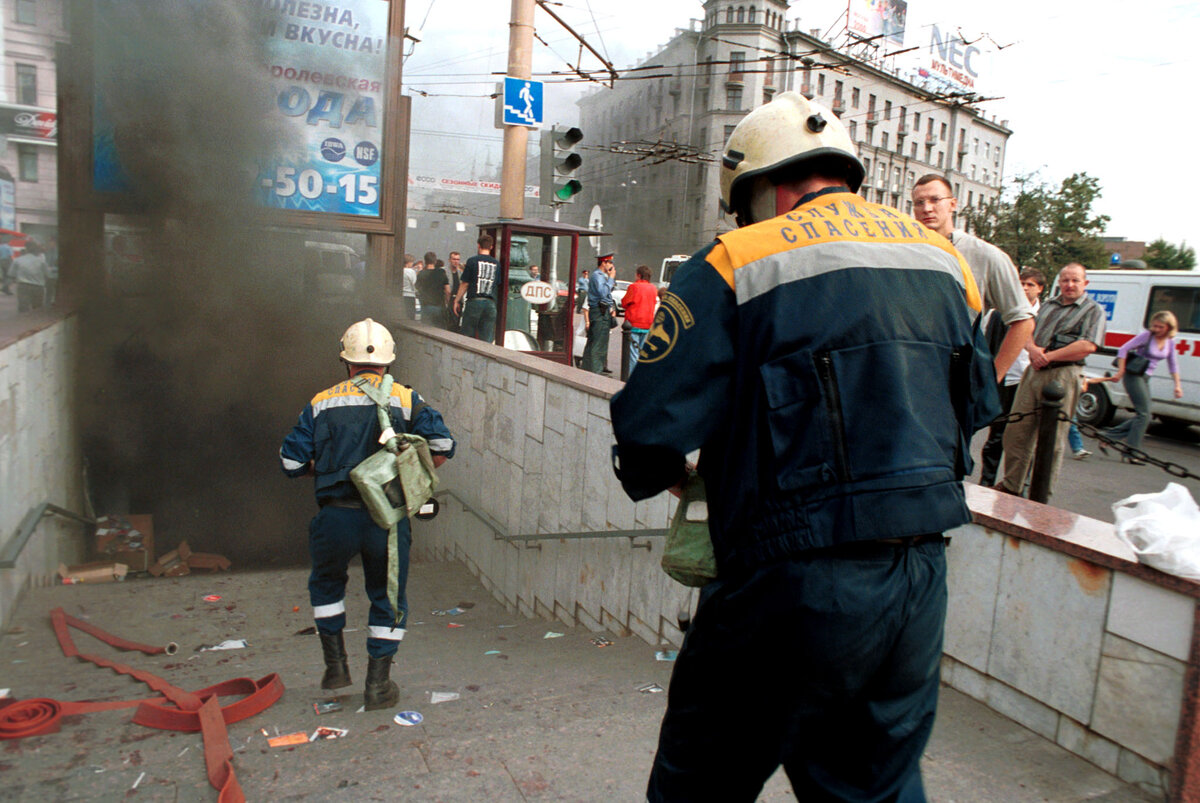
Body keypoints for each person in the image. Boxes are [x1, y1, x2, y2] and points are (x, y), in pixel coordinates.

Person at [609, 91, 998, 801]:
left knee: (699, 781)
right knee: (872, 785)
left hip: (788, 581)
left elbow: (647, 420)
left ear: (761, 187)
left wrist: (667, 473)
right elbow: (973, 405)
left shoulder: (737, 258)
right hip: (917, 581)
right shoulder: (945, 261)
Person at [280, 318, 455, 710]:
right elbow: (443, 445)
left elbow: (290, 463)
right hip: (387, 522)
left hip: (334, 517)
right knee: (387, 598)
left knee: (326, 587)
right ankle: (378, 685)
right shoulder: (407, 399)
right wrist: (407, 473)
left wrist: (324, 468)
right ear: (388, 363)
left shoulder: (321, 401)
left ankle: (335, 666)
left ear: (346, 362)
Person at [912, 174, 1035, 383]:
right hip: (911, 370)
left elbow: (1023, 321)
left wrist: (992, 377)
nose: (927, 208)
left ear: (952, 204)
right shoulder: (907, 252)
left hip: (956, 375)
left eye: (935, 200)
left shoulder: (985, 255)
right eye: (919, 203)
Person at [997, 263, 1105, 497]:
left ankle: (1041, 493)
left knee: (1052, 439)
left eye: (1075, 280)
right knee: (1016, 431)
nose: (1069, 285)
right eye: (1065, 280)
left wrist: (1048, 356)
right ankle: (1011, 485)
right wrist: (1033, 350)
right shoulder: (1047, 306)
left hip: (1064, 374)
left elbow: (1087, 345)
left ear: (1085, 284)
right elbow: (1027, 330)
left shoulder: (1093, 310)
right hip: (1034, 371)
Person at [980, 268, 1045, 484]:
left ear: (1040, 289)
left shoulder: (1045, 316)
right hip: (1005, 380)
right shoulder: (999, 314)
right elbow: (988, 346)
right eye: (1022, 283)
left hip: (1030, 381)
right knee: (996, 435)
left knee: (1024, 438)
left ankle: (1019, 483)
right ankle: (987, 481)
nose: (1025, 288)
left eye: (1030, 285)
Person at [1092, 310, 1184, 463]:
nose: (1156, 329)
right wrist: (1121, 370)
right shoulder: (1147, 336)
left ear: (1169, 327)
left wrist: (1177, 385)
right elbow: (1123, 349)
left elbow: (1173, 364)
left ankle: (1108, 436)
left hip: (1146, 376)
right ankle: (1131, 453)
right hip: (1133, 375)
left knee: (1145, 415)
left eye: (1160, 327)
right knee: (1144, 414)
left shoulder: (1170, 342)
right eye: (1154, 326)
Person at [453, 234, 500, 342]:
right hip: (490, 304)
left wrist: (456, 300)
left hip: (474, 301)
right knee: (487, 338)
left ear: (478, 246)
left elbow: (465, 283)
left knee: (468, 336)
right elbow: (497, 283)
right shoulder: (496, 263)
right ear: (491, 247)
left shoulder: (472, 261)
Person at [620, 265, 658, 370]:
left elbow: (624, 302)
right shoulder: (653, 288)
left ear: (639, 275)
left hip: (634, 323)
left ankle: (632, 376)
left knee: (632, 353)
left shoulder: (634, 287)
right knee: (641, 351)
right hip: (647, 324)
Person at [584, 253, 616, 374]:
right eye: (610, 263)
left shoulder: (602, 276)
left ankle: (591, 368)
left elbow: (608, 291)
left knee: (597, 340)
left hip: (602, 310)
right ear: (604, 263)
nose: (612, 266)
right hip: (599, 311)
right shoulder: (597, 276)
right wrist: (611, 278)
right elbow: (603, 293)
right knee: (598, 341)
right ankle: (595, 370)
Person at [415, 250, 449, 329]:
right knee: (440, 330)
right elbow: (448, 290)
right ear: (435, 261)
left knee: (426, 329)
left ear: (425, 261)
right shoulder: (441, 273)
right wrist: (448, 303)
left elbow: (417, 288)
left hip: (426, 306)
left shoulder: (421, 274)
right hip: (439, 306)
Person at [11, 239, 48, 312]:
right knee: (38, 308)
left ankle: (23, 322)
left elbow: (12, 274)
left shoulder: (18, 260)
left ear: (26, 248)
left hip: (23, 286)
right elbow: (46, 274)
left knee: (23, 308)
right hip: (38, 286)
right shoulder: (42, 261)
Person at [401, 254, 418, 319]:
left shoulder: (400, 271)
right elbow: (414, 282)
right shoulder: (411, 271)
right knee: (410, 317)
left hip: (402, 295)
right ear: (408, 262)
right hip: (410, 295)